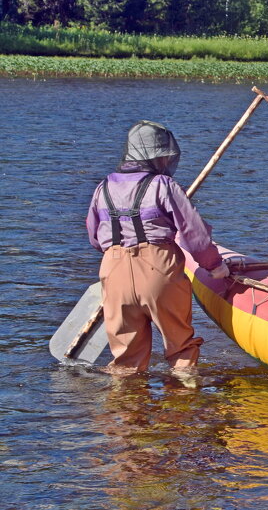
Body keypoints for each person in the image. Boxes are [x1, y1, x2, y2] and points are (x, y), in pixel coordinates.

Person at [85, 121, 229, 375]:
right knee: (180, 347)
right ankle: (182, 395)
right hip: (158, 270)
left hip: (113, 270)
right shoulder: (164, 185)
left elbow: (95, 238)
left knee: (126, 359)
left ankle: (126, 399)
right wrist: (215, 266)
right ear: (157, 157)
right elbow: (194, 234)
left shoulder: (103, 187)